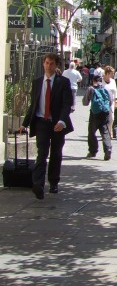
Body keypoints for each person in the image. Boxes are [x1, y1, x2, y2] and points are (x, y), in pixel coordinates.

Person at [21, 53, 75, 199]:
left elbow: (66, 104)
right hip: (41, 122)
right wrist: (24, 124)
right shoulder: (37, 82)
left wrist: (62, 121)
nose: (48, 66)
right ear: (43, 64)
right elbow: (33, 105)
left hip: (57, 123)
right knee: (42, 153)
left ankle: (53, 182)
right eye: (46, 63)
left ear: (56, 65)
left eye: (51, 63)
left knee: (56, 153)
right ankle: (38, 184)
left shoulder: (63, 82)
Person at [83, 73, 112, 160]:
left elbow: (85, 102)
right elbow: (110, 101)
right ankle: (108, 148)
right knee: (105, 131)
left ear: (93, 81)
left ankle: (93, 151)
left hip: (94, 113)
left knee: (92, 132)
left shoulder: (91, 89)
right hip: (105, 112)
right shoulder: (105, 88)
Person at [102, 66, 117, 139]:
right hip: (103, 102)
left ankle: (109, 131)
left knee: (112, 118)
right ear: (107, 73)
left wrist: (116, 101)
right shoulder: (101, 81)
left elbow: (115, 92)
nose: (113, 75)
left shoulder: (113, 81)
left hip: (111, 102)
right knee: (104, 118)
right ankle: (105, 133)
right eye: (111, 73)